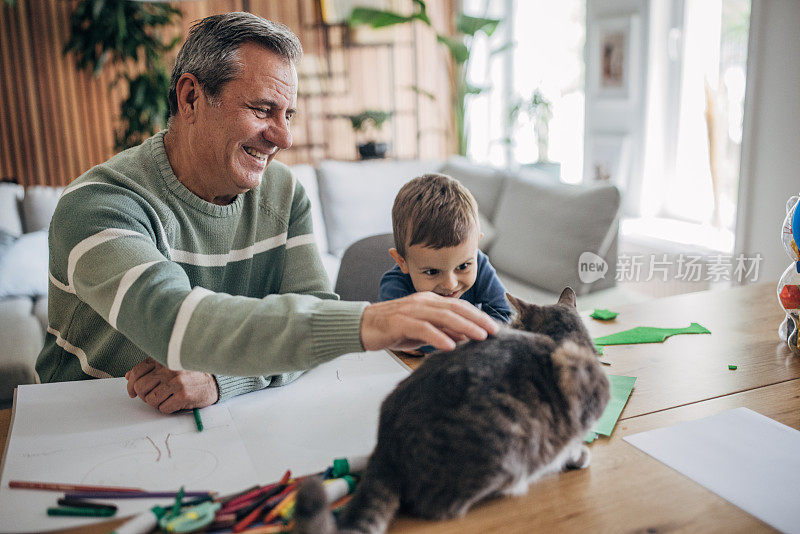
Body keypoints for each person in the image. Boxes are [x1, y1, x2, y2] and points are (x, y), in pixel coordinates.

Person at [35, 12, 497, 414]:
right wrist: (370, 322)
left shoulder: (283, 193)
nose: (284, 137)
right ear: (191, 98)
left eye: (289, 114)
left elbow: (311, 325)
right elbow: (176, 324)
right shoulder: (96, 205)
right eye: (262, 109)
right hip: (90, 426)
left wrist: (222, 380)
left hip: (223, 423)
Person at [379, 173, 511, 354]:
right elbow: (395, 334)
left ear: (476, 247)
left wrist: (450, 340)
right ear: (402, 262)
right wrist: (470, 335)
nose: (450, 284)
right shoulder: (394, 288)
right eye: (432, 272)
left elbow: (505, 314)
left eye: (463, 266)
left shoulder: (479, 264)